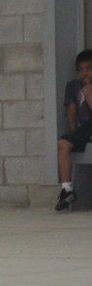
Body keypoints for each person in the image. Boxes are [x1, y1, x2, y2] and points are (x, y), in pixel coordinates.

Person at [56, 70, 92, 211]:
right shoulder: (74, 86)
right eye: (82, 70)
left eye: (89, 68)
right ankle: (67, 190)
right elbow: (71, 111)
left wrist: (89, 91)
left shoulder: (88, 88)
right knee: (63, 144)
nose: (86, 73)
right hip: (86, 128)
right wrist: (73, 135)